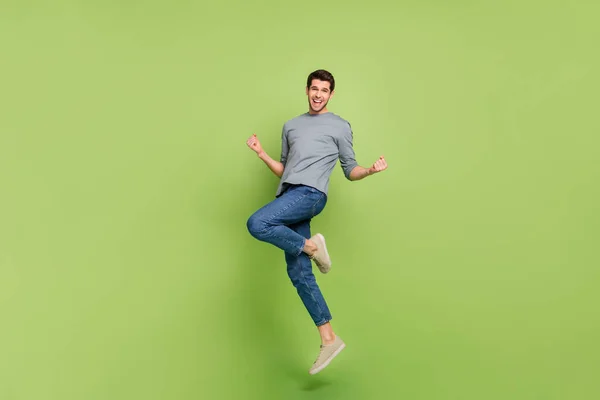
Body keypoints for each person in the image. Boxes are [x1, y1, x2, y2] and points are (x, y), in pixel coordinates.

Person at [245, 69, 388, 375]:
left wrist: (370, 171)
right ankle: (329, 338)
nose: (318, 94)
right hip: (290, 194)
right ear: (307, 90)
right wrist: (261, 154)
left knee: (257, 223)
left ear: (331, 94)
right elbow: (285, 170)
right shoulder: (291, 126)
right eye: (314, 88)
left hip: (311, 195)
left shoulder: (339, 126)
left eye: (324, 90)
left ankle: (311, 246)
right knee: (298, 273)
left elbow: (350, 169)